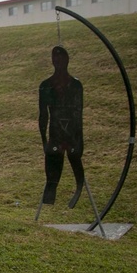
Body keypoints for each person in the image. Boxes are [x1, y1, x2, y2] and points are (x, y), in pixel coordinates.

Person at [39, 45, 85, 207]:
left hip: (71, 135)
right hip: (55, 135)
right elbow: (43, 116)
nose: (57, 62)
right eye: (54, 59)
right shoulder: (46, 86)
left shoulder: (75, 86)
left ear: (67, 60)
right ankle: (47, 205)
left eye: (60, 58)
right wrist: (45, 141)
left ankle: (76, 194)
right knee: (51, 180)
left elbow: (78, 114)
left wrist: (79, 142)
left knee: (77, 172)